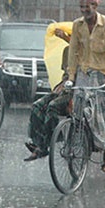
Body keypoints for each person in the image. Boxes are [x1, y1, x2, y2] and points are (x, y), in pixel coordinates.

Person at [67, 0, 105, 173]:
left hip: (103, 75)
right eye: (81, 7)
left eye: (87, 6)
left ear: (95, 7)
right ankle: (81, 141)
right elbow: (73, 50)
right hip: (83, 73)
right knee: (79, 111)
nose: (84, 10)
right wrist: (71, 76)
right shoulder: (77, 25)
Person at [24, 28, 72, 161]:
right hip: (65, 89)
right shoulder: (67, 51)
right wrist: (61, 86)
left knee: (52, 107)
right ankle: (39, 142)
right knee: (37, 106)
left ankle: (45, 143)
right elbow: (66, 74)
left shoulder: (87, 52)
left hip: (81, 91)